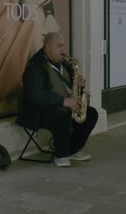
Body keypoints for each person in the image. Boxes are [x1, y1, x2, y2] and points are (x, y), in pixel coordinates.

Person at [17, 32, 98, 167]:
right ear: (47, 47)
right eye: (59, 46)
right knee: (62, 115)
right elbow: (35, 95)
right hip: (38, 111)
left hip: (60, 105)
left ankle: (71, 149)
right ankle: (61, 154)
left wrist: (80, 86)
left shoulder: (64, 64)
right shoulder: (35, 66)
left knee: (91, 114)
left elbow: (71, 87)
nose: (63, 50)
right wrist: (63, 101)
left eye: (63, 46)